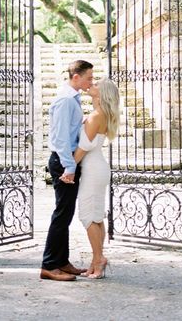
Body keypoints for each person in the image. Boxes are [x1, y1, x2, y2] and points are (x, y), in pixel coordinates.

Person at [40, 59, 94, 282]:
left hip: (67, 160)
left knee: (66, 213)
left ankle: (62, 261)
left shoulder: (73, 98)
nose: (91, 81)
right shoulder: (65, 101)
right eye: (88, 78)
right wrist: (69, 167)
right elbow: (61, 139)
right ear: (76, 77)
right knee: (62, 214)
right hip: (64, 161)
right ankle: (49, 264)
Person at [62, 77, 120, 279]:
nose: (91, 85)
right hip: (98, 168)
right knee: (96, 216)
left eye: (96, 84)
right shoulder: (100, 114)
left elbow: (84, 148)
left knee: (87, 216)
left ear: (102, 93)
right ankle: (97, 261)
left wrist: (69, 168)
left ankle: (99, 259)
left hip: (93, 169)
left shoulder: (97, 115)